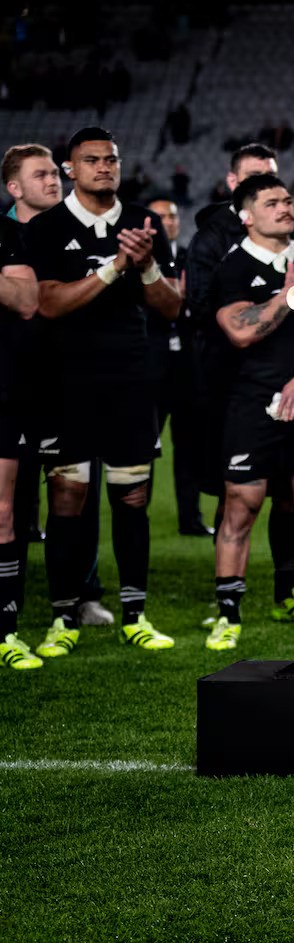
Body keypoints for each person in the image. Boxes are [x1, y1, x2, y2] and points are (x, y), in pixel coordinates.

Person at [28, 127, 182, 652]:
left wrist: (147, 265)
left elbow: (170, 306)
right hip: (68, 380)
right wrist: (117, 267)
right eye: (91, 160)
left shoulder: (145, 222)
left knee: (132, 496)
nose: (103, 167)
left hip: (131, 377)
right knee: (68, 497)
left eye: (110, 159)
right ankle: (63, 619)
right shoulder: (47, 228)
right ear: (70, 169)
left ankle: (135, 615)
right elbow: (48, 303)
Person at [187, 143, 294, 629]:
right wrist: (290, 294)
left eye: (287, 201)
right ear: (247, 217)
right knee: (241, 505)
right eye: (272, 204)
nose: (285, 208)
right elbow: (241, 331)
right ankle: (228, 616)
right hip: (249, 401)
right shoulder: (232, 267)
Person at [3, 144, 113, 630]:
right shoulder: (8, 235)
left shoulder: (77, 231)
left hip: (70, 381)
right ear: (14, 187)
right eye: (41, 174)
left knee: (77, 495)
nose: (54, 180)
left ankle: (81, 595)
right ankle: (14, 598)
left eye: (55, 173)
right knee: (16, 499)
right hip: (13, 385)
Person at [145, 197, 207, 535]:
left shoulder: (190, 257)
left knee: (189, 447)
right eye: (159, 216)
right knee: (145, 446)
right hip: (151, 367)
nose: (167, 220)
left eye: (171, 215)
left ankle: (191, 518)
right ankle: (139, 514)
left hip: (186, 367)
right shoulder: (140, 260)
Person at [0, 195, 40, 669]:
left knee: (4, 512)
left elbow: (28, 301)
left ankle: (6, 631)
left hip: (4, 392)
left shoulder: (10, 234)